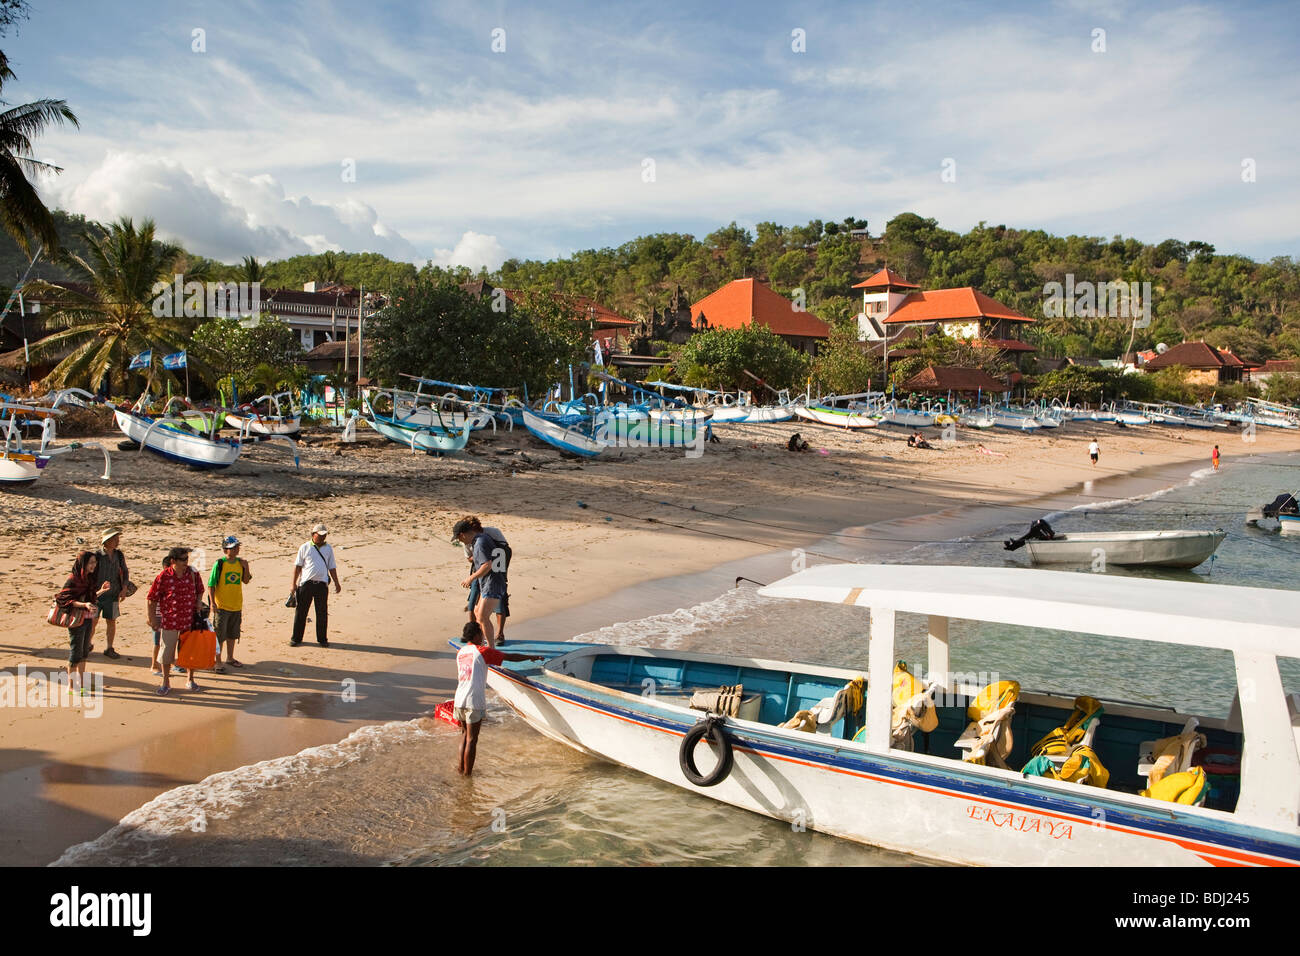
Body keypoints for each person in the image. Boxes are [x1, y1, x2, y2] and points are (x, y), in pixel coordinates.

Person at [454, 621, 545, 776]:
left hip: (459, 698)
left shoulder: (461, 652)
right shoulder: (482, 651)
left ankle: (461, 769)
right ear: (476, 635)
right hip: (473, 700)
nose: (482, 637)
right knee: (472, 739)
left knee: (464, 735)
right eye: (481, 633)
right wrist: (531, 657)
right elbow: (509, 657)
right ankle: (468, 775)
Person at [146, 547, 205, 695]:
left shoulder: (192, 573)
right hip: (170, 620)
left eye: (187, 558)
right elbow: (151, 598)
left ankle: (190, 679)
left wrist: (198, 602)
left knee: (189, 652)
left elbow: (200, 590)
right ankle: (166, 682)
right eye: (183, 559)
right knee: (167, 653)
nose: (186, 562)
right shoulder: (163, 576)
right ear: (173, 561)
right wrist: (152, 619)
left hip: (189, 620)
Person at [56, 551, 110, 696]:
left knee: (84, 652)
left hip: (87, 619)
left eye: (95, 562)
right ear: (83, 563)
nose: (94, 565)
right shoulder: (73, 579)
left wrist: (101, 591)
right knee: (75, 652)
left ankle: (80, 683)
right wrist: (84, 605)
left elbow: (90, 597)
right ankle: (71, 686)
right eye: (91, 562)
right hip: (75, 620)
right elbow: (64, 599)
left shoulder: (89, 579)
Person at [452, 516, 509, 643]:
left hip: (493, 583)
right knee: (478, 613)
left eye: (459, 538)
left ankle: (490, 649)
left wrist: (470, 578)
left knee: (483, 617)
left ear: (462, 534)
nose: (459, 541)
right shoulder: (481, 539)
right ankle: (481, 642)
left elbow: (487, 565)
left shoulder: (480, 542)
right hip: (489, 583)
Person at [290, 523, 340, 647]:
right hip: (306, 584)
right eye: (320, 535)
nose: (323, 538)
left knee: (322, 613)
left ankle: (322, 639)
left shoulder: (328, 548)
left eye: (325, 535)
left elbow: (332, 567)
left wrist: (336, 582)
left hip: (322, 585)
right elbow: (298, 567)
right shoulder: (305, 547)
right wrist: (293, 584)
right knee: (301, 612)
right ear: (313, 534)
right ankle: (296, 638)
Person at [208, 535, 251, 671]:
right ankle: (218, 661)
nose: (237, 550)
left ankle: (230, 658)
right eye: (233, 548)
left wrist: (246, 567)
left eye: (237, 547)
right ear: (226, 550)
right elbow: (211, 584)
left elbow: (245, 580)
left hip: (236, 604)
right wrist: (212, 603)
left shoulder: (241, 562)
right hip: (221, 606)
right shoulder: (219, 563)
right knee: (220, 635)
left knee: (233, 634)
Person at [93, 529, 133, 660]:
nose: (117, 541)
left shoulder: (119, 555)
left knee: (111, 621)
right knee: (93, 621)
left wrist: (124, 588)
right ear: (107, 541)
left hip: (114, 593)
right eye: (115, 539)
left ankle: (109, 648)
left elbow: (125, 571)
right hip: (97, 595)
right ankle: (87, 645)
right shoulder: (96, 555)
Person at [149, 553, 171, 675]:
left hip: (169, 616)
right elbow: (150, 600)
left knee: (167, 642)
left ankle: (169, 663)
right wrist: (151, 618)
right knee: (157, 642)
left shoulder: (175, 580)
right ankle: (154, 665)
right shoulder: (159, 580)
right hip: (158, 616)